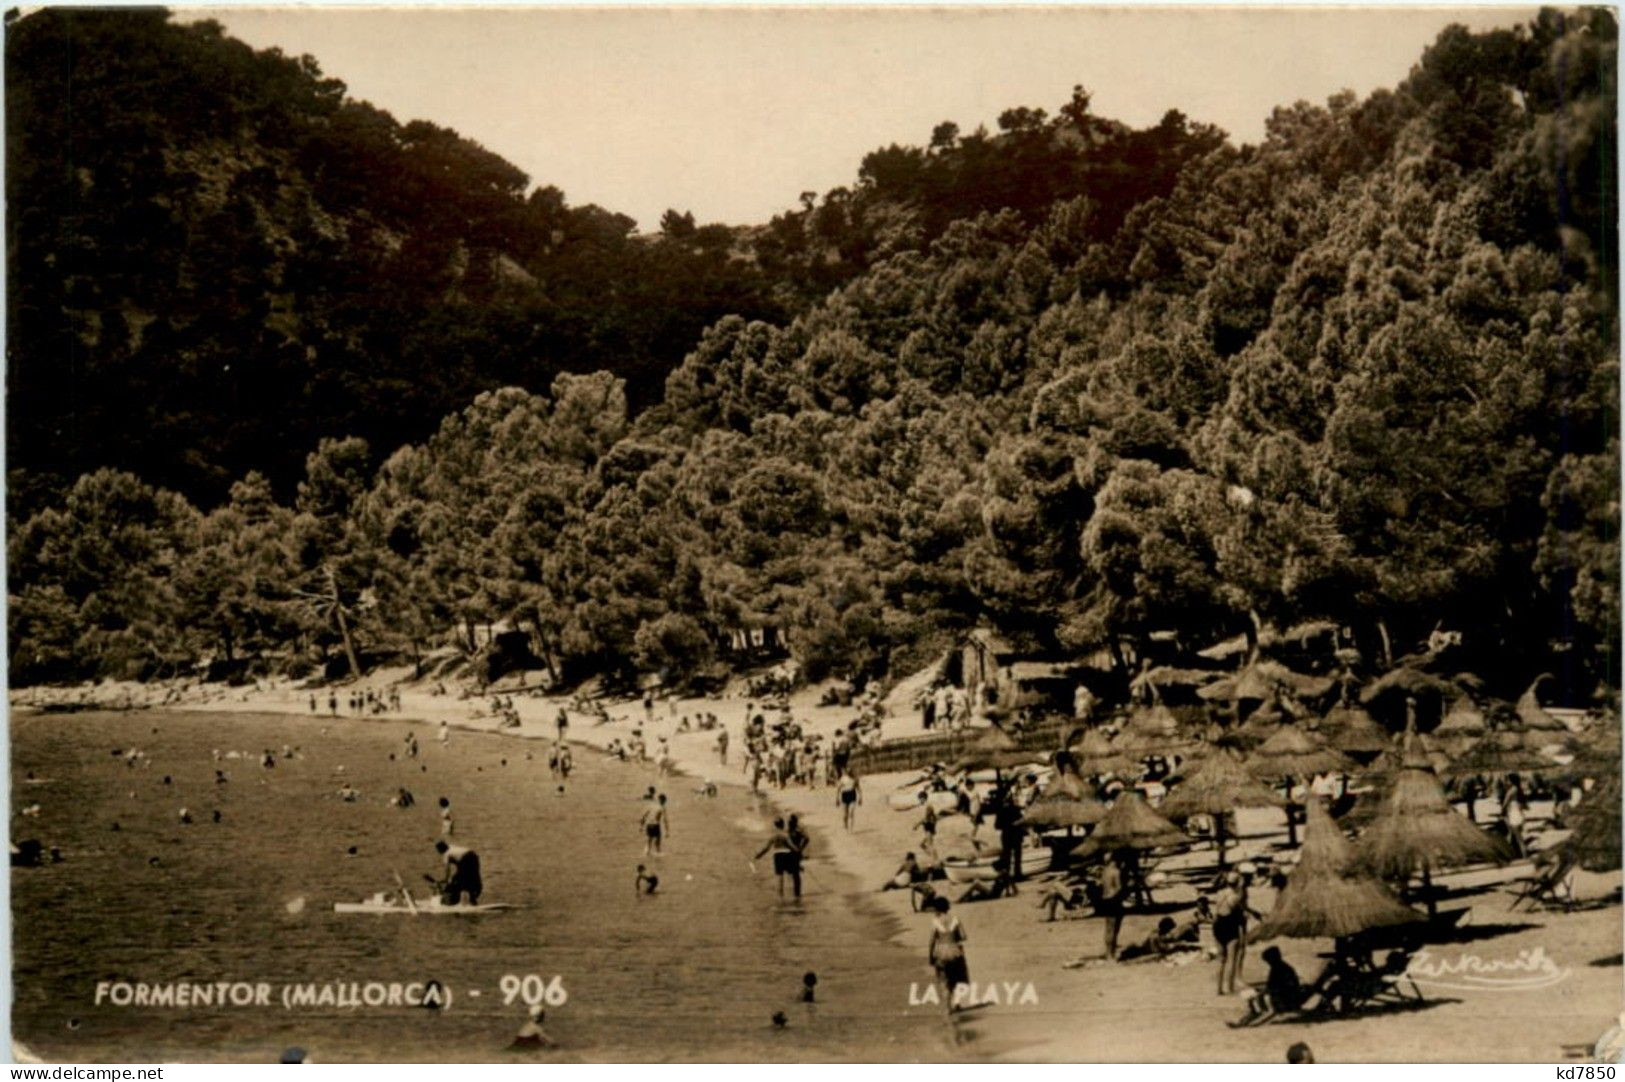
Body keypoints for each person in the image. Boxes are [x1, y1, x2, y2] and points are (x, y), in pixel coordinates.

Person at [1231, 946, 1306, 1026]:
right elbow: (1275, 985)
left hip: (1284, 998)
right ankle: (1245, 1021)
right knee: (1256, 997)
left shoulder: (1277, 969)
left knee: (1254, 998)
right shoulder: (1282, 967)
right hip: (1287, 995)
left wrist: (1260, 991)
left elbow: (1274, 987)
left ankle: (1248, 1021)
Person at [927, 896, 969, 1011]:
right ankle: (957, 1003)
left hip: (941, 953)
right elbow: (964, 936)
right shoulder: (955, 919)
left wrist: (930, 957)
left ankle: (948, 1007)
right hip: (955, 951)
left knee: (944, 980)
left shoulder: (935, 921)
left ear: (937, 909)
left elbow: (931, 941)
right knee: (959, 978)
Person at [754, 817, 801, 899]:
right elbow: (792, 846)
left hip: (778, 855)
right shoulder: (785, 835)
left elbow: (766, 848)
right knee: (790, 875)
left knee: (779, 877)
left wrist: (759, 855)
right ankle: (794, 896)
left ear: (775, 825)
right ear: (783, 825)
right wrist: (798, 851)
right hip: (787, 855)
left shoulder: (773, 836)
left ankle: (780, 897)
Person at [1097, 851, 1127, 961]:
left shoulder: (1105, 872)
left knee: (1108, 928)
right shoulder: (1116, 872)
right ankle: (1111, 954)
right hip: (1114, 901)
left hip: (1105, 900)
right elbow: (1118, 888)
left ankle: (1108, 953)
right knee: (1114, 929)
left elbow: (1101, 885)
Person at [434, 840, 482, 905]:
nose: (438, 852)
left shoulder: (447, 854)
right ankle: (471, 899)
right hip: (474, 857)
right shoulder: (451, 847)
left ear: (440, 849)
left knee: (460, 882)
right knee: (471, 879)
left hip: (466, 859)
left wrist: (446, 879)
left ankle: (464, 901)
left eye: (438, 850)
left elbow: (447, 869)